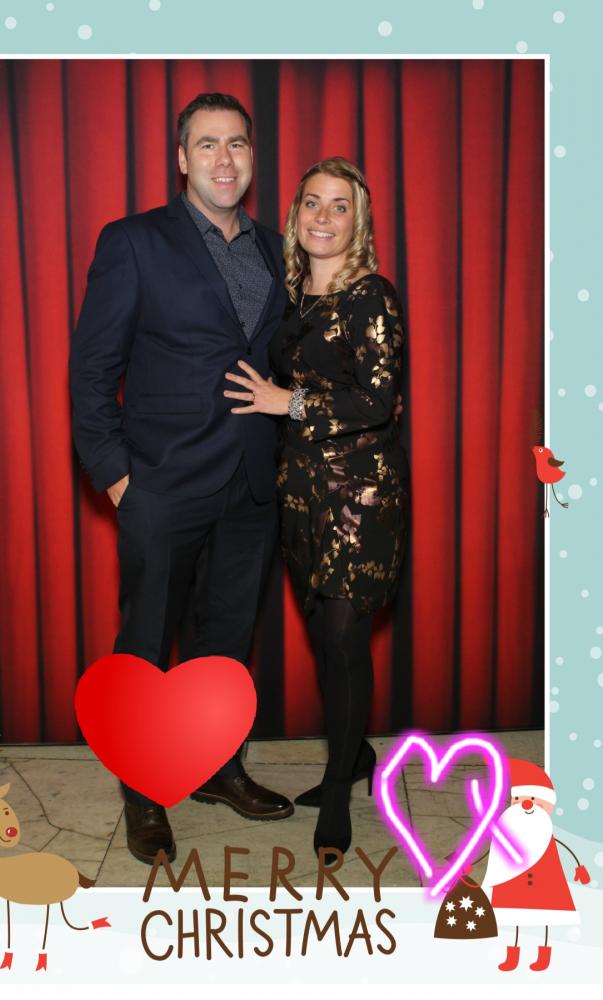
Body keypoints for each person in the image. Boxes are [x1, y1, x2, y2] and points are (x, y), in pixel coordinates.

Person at [70, 93, 294, 866]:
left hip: (250, 484)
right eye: (206, 144)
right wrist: (116, 478)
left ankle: (217, 769)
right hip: (160, 483)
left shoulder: (276, 249)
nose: (223, 159)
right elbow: (92, 368)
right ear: (181, 159)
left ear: (252, 157)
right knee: (145, 642)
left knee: (225, 642)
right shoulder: (133, 241)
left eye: (236, 144)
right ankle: (142, 788)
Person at [224, 157, 409, 860]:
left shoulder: (372, 296)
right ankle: (355, 753)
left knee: (342, 637)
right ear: (294, 214)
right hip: (300, 494)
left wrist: (289, 401)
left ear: (358, 222)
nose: (323, 218)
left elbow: (377, 401)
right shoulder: (292, 295)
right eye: (312, 203)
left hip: (361, 495)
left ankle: (338, 791)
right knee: (325, 639)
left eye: (339, 206)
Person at [481, 759, 590, 973]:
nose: (526, 804)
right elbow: (494, 850)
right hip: (514, 883)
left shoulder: (546, 832)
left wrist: (579, 869)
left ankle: (544, 955)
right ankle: (513, 955)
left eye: (532, 799)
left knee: (546, 919)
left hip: (546, 883)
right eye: (519, 799)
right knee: (515, 919)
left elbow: (565, 847)